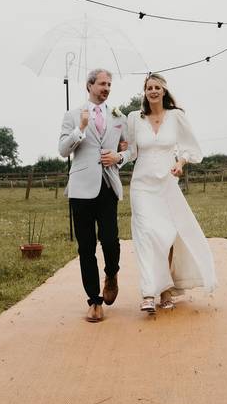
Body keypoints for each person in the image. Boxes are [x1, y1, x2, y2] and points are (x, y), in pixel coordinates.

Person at [124, 73, 216, 314]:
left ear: (164, 91)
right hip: (142, 185)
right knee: (146, 235)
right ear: (144, 92)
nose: (153, 91)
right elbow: (130, 151)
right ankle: (147, 292)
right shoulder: (135, 118)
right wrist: (117, 154)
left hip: (166, 184)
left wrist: (181, 163)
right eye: (149, 88)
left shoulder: (176, 117)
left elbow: (191, 147)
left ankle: (165, 291)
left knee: (166, 235)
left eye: (157, 87)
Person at [58, 68, 131, 323]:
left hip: (108, 185)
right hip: (80, 189)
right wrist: (81, 128)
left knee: (110, 240)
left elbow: (130, 148)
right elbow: (62, 150)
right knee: (86, 247)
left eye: (109, 84)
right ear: (89, 86)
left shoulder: (118, 116)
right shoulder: (73, 115)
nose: (107, 88)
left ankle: (112, 273)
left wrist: (119, 157)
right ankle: (94, 301)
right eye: (102, 83)